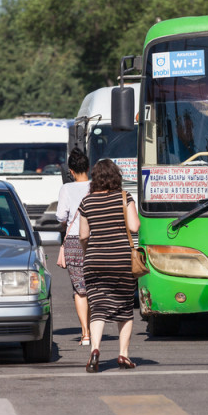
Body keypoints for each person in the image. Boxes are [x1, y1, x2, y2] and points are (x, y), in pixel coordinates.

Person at [79, 158, 140, 373]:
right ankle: (123, 354)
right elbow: (134, 226)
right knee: (124, 307)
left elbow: (83, 236)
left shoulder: (86, 202)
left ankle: (95, 350)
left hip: (95, 259)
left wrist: (89, 252)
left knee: (98, 307)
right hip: (121, 260)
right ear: (116, 177)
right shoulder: (125, 197)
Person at [55, 148, 92, 347]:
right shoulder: (97, 187)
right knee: (94, 286)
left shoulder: (67, 189)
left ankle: (85, 334)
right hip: (96, 241)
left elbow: (61, 216)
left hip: (75, 242)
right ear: (88, 167)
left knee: (80, 289)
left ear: (71, 171)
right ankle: (94, 330)